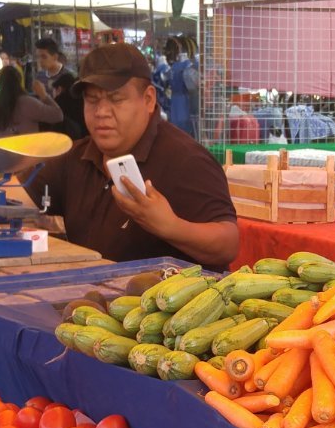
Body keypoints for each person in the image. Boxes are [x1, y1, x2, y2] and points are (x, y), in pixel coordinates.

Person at [24, 43, 237, 265]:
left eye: (116, 99)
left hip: (162, 298)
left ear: (148, 100)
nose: (101, 112)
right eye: (92, 100)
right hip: (89, 295)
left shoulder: (187, 161)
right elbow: (15, 197)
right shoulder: (77, 157)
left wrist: (171, 226)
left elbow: (228, 244)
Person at [0, 65, 63, 139]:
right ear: (19, 82)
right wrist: (44, 95)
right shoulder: (28, 104)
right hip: (27, 156)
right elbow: (58, 116)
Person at [33, 39, 85, 138]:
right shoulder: (39, 76)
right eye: (38, 57)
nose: (40, 61)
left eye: (44, 57)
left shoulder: (69, 76)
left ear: (55, 57)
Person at [163, 36, 199, 138]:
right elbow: (192, 86)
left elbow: (165, 81)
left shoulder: (173, 67)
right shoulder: (188, 66)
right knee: (186, 129)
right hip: (184, 101)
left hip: (174, 101)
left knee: (177, 129)